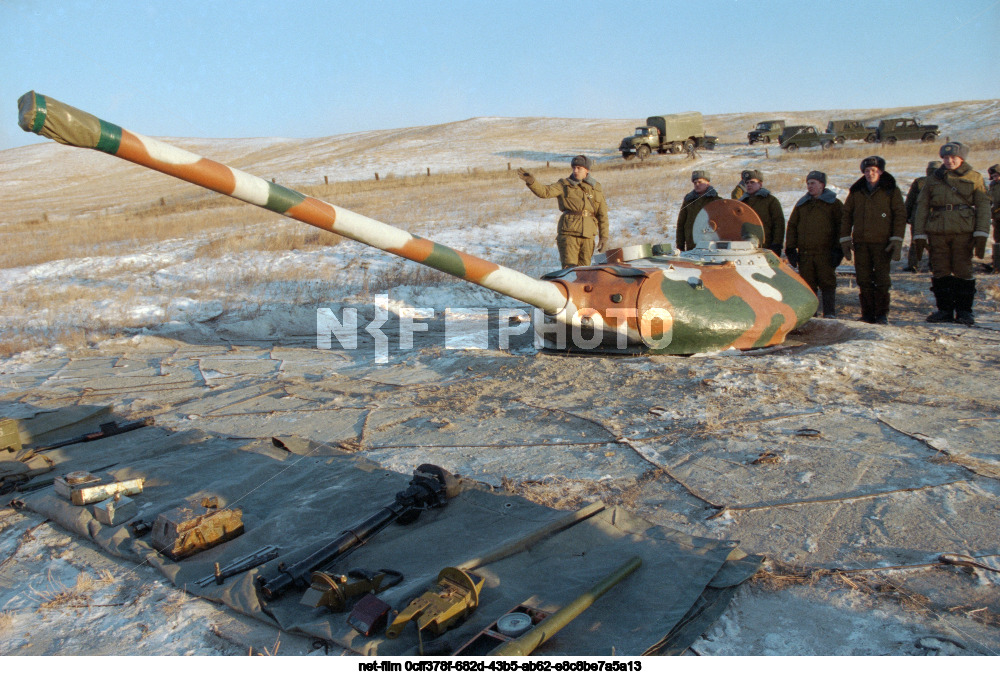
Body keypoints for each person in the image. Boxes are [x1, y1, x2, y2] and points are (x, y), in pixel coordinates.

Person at [912, 143, 991, 325]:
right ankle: (944, 310)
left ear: (962, 158)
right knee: (940, 270)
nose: (949, 161)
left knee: (963, 270)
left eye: (953, 158)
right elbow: (922, 206)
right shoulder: (933, 179)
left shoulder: (974, 177)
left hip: (963, 231)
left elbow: (983, 207)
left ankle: (964, 311)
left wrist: (981, 233)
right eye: (946, 158)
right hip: (937, 231)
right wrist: (919, 234)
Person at [839, 156, 906, 324]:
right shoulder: (856, 191)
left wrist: (897, 239)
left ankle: (882, 314)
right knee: (863, 279)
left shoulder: (891, 190)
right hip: (861, 243)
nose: (870, 174)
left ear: (881, 172)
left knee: (882, 279)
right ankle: (867, 314)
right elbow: (847, 215)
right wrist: (845, 238)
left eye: (874, 171)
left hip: (883, 244)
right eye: (867, 171)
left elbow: (900, 215)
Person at [517, 155, 609, 268]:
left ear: (587, 170)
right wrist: (532, 182)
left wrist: (604, 237)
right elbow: (545, 192)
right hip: (569, 234)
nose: (575, 170)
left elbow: (602, 214)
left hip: (588, 235)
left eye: (579, 168)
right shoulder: (564, 184)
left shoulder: (596, 188)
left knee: (585, 271)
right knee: (569, 270)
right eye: (573, 167)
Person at [785, 171, 843, 318]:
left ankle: (829, 314)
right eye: (808, 183)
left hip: (826, 253)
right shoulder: (802, 204)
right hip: (805, 254)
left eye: (813, 183)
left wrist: (839, 250)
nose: (810, 186)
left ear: (822, 185)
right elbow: (792, 226)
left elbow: (841, 227)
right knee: (808, 286)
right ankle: (811, 315)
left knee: (827, 284)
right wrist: (791, 248)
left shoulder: (834, 204)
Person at [902, 161, 941, 272]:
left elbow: (910, 201)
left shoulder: (919, 182)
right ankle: (934, 265)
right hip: (936, 217)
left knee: (916, 241)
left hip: (918, 217)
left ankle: (913, 265)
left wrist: (906, 216)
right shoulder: (944, 182)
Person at [738, 169, 785, 256]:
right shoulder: (741, 203)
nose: (749, 185)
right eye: (747, 183)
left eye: (752, 182)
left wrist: (777, 244)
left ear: (760, 184)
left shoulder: (770, 201)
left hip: (766, 247)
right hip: (745, 248)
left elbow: (778, 224)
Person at [676, 170, 720, 251]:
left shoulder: (717, 201)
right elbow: (681, 224)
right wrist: (680, 246)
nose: (697, 185)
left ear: (707, 183)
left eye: (700, 182)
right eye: (695, 183)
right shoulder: (688, 200)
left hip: (710, 248)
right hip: (691, 246)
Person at [988, 163, 1000, 272]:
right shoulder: (992, 185)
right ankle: (996, 263)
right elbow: (990, 199)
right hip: (997, 217)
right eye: (994, 176)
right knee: (997, 239)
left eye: (998, 175)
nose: (996, 178)